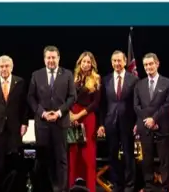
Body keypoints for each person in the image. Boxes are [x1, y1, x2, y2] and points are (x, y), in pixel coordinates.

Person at [27, 46, 77, 192]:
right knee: (42, 160)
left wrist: (59, 112)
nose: (51, 60)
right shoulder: (36, 75)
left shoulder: (67, 74)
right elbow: (31, 97)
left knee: (61, 159)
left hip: (61, 123)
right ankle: (43, 188)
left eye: (53, 57)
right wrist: (43, 113)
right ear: (44, 59)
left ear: (58, 58)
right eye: (48, 58)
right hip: (42, 124)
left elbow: (72, 97)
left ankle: (61, 189)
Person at [0, 55, 28, 186]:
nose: (4, 69)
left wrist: (24, 123)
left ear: (12, 67)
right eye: (1, 66)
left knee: (14, 161)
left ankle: (14, 186)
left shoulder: (20, 82)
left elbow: (24, 105)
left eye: (7, 66)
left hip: (15, 128)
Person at [97, 51, 138, 192]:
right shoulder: (105, 79)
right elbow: (102, 104)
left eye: (119, 61)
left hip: (128, 123)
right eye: (114, 61)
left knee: (128, 155)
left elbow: (137, 104)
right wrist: (101, 124)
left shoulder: (133, 79)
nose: (117, 64)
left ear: (125, 62)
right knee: (113, 155)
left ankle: (129, 186)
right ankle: (117, 185)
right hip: (110, 123)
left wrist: (137, 123)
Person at [134, 53, 169, 191]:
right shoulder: (139, 84)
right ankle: (149, 187)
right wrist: (148, 120)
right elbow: (136, 106)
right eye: (145, 65)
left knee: (164, 161)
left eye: (151, 64)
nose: (148, 67)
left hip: (162, 126)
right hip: (145, 127)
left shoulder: (168, 83)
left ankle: (165, 188)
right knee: (147, 160)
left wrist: (154, 119)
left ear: (157, 64)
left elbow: (167, 105)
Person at [68, 52, 101, 192]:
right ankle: (71, 187)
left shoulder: (97, 79)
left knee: (88, 154)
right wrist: (71, 115)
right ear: (79, 63)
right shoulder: (72, 77)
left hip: (87, 117)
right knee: (73, 154)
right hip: (71, 117)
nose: (86, 64)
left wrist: (78, 116)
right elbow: (67, 97)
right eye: (84, 61)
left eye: (89, 62)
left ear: (92, 64)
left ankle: (91, 188)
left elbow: (96, 103)